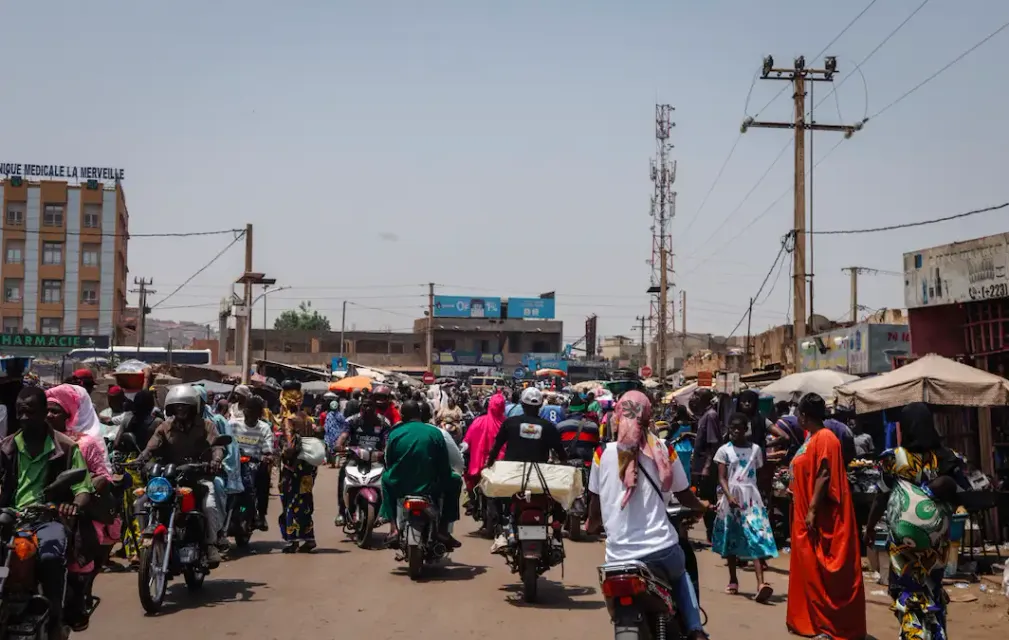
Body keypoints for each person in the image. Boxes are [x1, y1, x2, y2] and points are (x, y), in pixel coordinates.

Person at [585, 391, 708, 640]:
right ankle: (695, 629)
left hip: (618, 558)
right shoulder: (664, 449)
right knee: (682, 570)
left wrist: (591, 525)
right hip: (661, 551)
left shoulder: (601, 453)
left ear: (618, 416)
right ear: (647, 416)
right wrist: (702, 507)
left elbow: (595, 507)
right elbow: (684, 496)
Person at [864, 403, 968, 640]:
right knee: (932, 589)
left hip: (903, 543)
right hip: (937, 541)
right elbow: (964, 493)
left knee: (907, 590)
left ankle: (914, 634)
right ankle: (935, 633)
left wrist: (869, 528)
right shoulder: (947, 457)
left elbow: (880, 497)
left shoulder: (895, 458)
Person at [1, 387, 94, 640]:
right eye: (19, 412)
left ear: (44, 413)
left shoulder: (66, 447)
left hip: (47, 518)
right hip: (8, 518)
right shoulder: (5, 447)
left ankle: (55, 620)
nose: (23, 418)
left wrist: (73, 505)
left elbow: (82, 488)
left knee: (51, 556)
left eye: (30, 412)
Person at [786, 393, 866, 640]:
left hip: (820, 516)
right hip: (804, 512)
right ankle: (811, 620)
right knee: (809, 569)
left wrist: (812, 509)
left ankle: (829, 627)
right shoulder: (811, 437)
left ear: (804, 415)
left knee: (823, 571)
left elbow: (824, 474)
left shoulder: (826, 438)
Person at [45, 385, 120, 631]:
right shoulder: (35, 441)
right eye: (45, 410)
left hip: (78, 509)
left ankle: (77, 596)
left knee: (82, 542)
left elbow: (103, 477)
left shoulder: (84, 444)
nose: (48, 415)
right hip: (42, 507)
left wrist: (81, 493)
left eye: (55, 411)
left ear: (69, 414)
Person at [134, 385, 226, 564]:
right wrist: (140, 459)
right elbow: (151, 447)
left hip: (198, 476)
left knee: (209, 505)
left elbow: (217, 446)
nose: (181, 409)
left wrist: (216, 460)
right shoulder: (165, 427)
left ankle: (210, 544)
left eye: (184, 406)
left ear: (193, 407)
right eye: (177, 406)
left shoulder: (206, 426)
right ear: (171, 408)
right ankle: (146, 542)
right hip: (170, 478)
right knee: (141, 502)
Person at [711, 412, 778, 602]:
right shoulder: (724, 450)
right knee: (731, 536)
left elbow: (759, 474)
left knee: (755, 535)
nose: (736, 432)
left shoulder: (756, 450)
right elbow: (722, 477)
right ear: (729, 429)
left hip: (751, 498)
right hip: (731, 497)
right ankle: (733, 579)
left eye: (739, 428)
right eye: (733, 428)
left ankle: (761, 584)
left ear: (745, 430)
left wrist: (763, 496)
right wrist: (728, 496)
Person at [380, 401, 462, 548]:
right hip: (431, 486)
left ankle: (393, 528)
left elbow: (388, 462)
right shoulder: (436, 433)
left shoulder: (395, 433)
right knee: (456, 480)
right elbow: (443, 463)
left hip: (401, 485)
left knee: (385, 479)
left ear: (402, 416)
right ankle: (443, 529)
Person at [275, 381, 322, 553]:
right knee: (305, 501)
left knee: (290, 502)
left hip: (293, 469)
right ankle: (309, 538)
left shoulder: (289, 420)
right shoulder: (307, 418)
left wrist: (281, 452)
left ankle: (292, 540)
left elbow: (290, 448)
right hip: (309, 468)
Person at [335, 397, 392, 526]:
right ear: (360, 407)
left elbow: (388, 440)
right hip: (355, 457)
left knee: (387, 480)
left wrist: (387, 451)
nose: (367, 408)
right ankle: (342, 512)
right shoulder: (352, 420)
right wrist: (339, 445)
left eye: (370, 405)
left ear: (375, 407)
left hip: (376, 458)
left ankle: (385, 513)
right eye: (364, 405)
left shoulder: (383, 422)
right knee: (343, 475)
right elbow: (344, 435)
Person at [487, 388, 566, 465]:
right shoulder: (548, 426)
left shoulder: (509, 423)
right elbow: (561, 453)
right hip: (539, 471)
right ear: (541, 405)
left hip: (512, 470)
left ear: (522, 404)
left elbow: (496, 448)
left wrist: (489, 463)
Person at [230, 395, 274, 530]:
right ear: (244, 411)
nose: (250, 414)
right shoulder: (233, 425)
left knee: (264, 477)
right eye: (248, 410)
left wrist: (267, 456)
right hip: (233, 464)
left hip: (254, 463)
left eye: (254, 411)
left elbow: (268, 449)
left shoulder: (264, 428)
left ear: (259, 413)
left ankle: (261, 515)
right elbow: (224, 442)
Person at [691, 389, 722, 541]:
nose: (694, 398)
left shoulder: (710, 416)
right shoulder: (704, 415)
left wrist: (707, 467)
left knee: (708, 500)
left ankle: (713, 533)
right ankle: (712, 533)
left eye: (697, 396)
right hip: (701, 465)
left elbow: (713, 444)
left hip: (706, 467)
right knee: (704, 498)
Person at [461, 392, 506, 496]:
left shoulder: (478, 421)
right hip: (500, 468)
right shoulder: (506, 424)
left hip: (478, 467)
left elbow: (466, 442)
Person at [323, 400, 348, 467]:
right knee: (338, 448)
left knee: (331, 449)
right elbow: (345, 424)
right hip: (338, 434)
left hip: (330, 435)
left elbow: (326, 425)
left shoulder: (328, 415)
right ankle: (337, 463)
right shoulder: (340, 415)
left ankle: (333, 464)